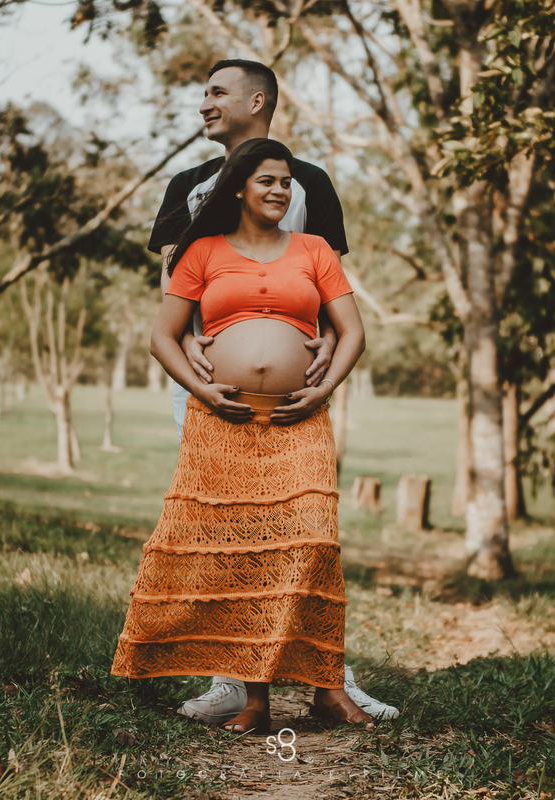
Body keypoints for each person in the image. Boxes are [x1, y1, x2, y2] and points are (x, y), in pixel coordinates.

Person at [146, 58, 398, 725]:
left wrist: (324, 346)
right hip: (209, 388)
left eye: (217, 92)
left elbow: (326, 279)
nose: (205, 103)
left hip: (296, 395)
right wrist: (189, 344)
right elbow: (172, 282)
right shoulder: (187, 184)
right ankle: (233, 683)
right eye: (204, 92)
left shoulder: (309, 181)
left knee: (305, 535)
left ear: (256, 101)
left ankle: (329, 677)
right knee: (227, 531)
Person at [111, 138, 372, 734]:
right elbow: (163, 337)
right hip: (222, 424)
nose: (280, 190)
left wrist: (323, 388)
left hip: (297, 421)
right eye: (267, 181)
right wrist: (202, 391)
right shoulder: (202, 251)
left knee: (312, 545)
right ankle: (256, 700)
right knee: (247, 556)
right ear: (238, 189)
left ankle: (327, 689)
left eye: (286, 182)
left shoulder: (314, 250)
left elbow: (352, 331)